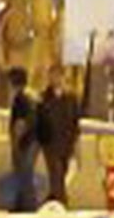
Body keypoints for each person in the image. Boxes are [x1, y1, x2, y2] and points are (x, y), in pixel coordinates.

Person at [35, 69, 83, 209]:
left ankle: (54, 197)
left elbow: (75, 120)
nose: (56, 79)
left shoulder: (71, 98)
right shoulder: (44, 98)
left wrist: (75, 140)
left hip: (66, 142)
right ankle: (62, 202)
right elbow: (39, 120)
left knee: (62, 172)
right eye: (53, 77)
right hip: (50, 143)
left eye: (58, 76)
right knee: (55, 172)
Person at [0, 66, 40, 212]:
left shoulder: (21, 98)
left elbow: (21, 123)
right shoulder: (32, 95)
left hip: (25, 143)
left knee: (24, 174)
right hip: (34, 141)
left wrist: (16, 142)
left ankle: (28, 206)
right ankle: (23, 203)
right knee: (25, 174)